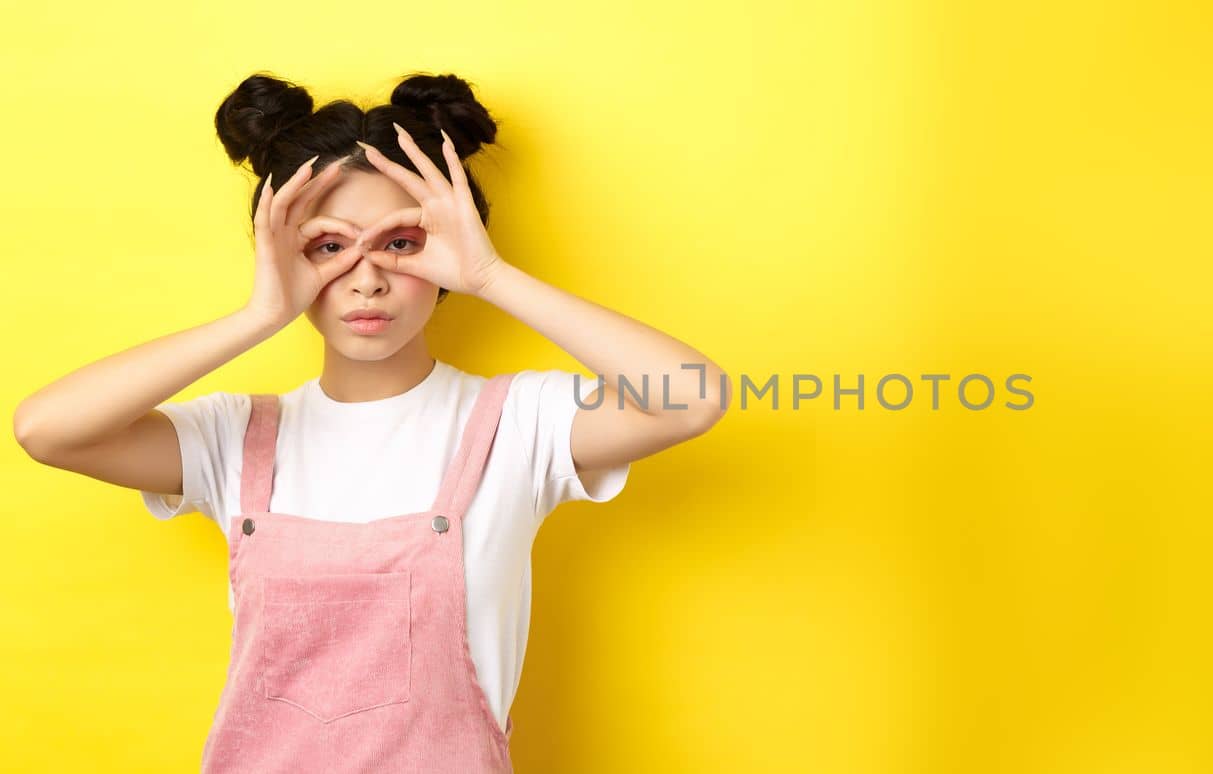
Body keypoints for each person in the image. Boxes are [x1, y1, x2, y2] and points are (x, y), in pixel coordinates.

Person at [12, 71, 727, 772]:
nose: (366, 278)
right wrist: (260, 315)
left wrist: (489, 274)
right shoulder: (232, 439)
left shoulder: (519, 425)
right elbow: (46, 429)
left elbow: (694, 396)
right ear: (283, 254)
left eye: (400, 242)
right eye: (329, 246)